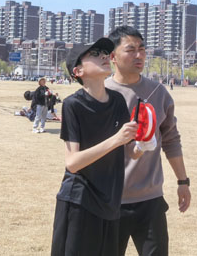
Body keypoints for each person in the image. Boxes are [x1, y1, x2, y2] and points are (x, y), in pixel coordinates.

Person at [105, 26, 191, 256]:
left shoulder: (159, 92)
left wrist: (183, 181)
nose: (139, 55)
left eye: (142, 49)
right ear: (113, 56)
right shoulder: (101, 94)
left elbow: (171, 140)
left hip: (150, 200)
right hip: (109, 200)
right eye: (130, 50)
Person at [51, 38, 140, 256]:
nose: (104, 56)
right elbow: (72, 163)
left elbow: (130, 151)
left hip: (110, 202)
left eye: (104, 52)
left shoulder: (118, 101)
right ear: (78, 71)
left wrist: (144, 144)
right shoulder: (73, 105)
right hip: (80, 200)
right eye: (94, 53)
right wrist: (116, 139)